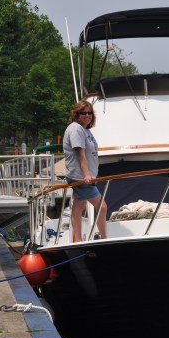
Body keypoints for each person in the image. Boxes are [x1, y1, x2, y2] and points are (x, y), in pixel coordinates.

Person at [63, 100, 108, 242]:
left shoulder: (85, 130)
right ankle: (104, 239)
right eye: (83, 113)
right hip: (80, 177)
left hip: (84, 176)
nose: (87, 115)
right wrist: (87, 175)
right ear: (76, 114)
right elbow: (80, 154)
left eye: (89, 113)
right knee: (102, 207)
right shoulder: (75, 129)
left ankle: (77, 240)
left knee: (79, 205)